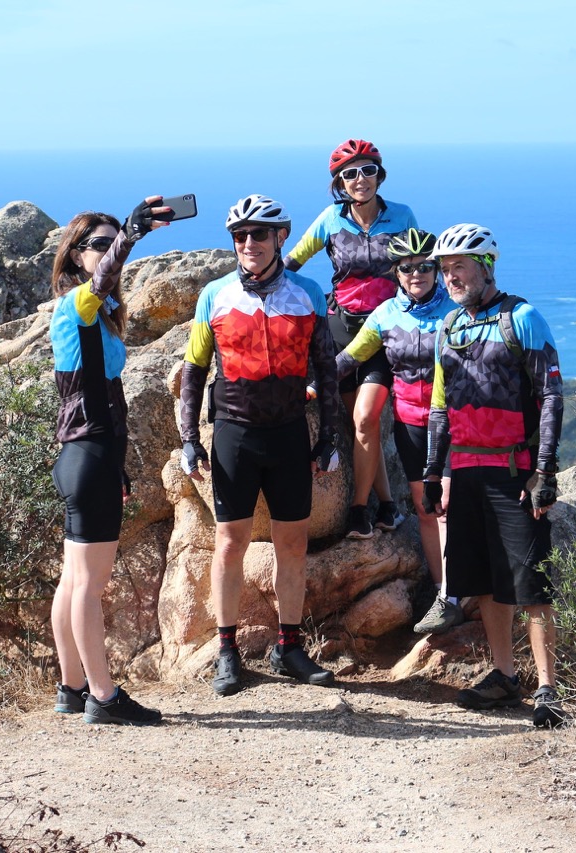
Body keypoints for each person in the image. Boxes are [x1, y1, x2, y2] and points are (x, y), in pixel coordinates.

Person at [179, 194, 341, 697]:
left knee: (293, 544)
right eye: (241, 235)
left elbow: (328, 372)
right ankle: (227, 651)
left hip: (291, 431)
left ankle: (288, 646)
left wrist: (330, 437)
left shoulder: (308, 293)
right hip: (234, 432)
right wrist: (189, 439)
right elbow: (193, 370)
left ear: (280, 239)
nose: (249, 243)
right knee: (230, 543)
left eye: (260, 234)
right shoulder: (215, 295)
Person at [423, 223, 567, 728]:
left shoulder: (522, 318)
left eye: (459, 266)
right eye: (445, 268)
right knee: (483, 583)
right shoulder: (448, 326)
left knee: (531, 584)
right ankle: (505, 676)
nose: (450, 276)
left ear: (486, 267)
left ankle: (548, 687)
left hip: (515, 472)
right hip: (464, 474)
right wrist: (430, 472)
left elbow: (550, 395)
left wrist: (544, 470)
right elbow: (439, 407)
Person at [49, 198, 172, 725]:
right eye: (97, 245)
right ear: (76, 257)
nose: (104, 254)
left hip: (84, 455)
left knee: (72, 580)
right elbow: (102, 283)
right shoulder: (79, 302)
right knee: (89, 585)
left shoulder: (91, 315)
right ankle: (103, 694)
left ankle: (72, 688)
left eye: (109, 244)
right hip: (89, 453)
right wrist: (132, 236)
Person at [284, 139, 418, 539]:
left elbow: (419, 267)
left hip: (384, 331)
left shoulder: (402, 216)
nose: (361, 179)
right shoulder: (330, 219)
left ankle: (360, 510)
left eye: (368, 170)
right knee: (362, 428)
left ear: (380, 174)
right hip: (340, 328)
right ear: (340, 182)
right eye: (350, 173)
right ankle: (389, 507)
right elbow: (292, 262)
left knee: (365, 418)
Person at [334, 228, 463, 634]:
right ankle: (444, 591)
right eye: (407, 268)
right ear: (396, 272)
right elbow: (351, 357)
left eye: (426, 266)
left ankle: (455, 596)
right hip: (410, 424)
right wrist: (310, 383)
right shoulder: (386, 314)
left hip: (455, 424)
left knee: (447, 510)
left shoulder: (457, 312)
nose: (417, 274)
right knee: (427, 511)